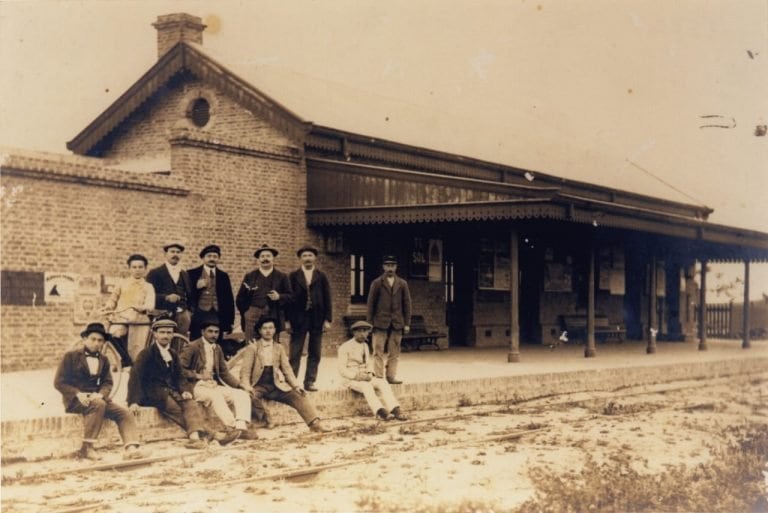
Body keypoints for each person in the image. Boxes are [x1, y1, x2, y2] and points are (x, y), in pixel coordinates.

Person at [127, 318, 235, 449]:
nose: (165, 336)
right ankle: (211, 435)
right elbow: (135, 377)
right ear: (155, 334)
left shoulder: (172, 353)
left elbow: (180, 376)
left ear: (173, 335)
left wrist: (185, 391)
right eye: (162, 332)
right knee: (178, 410)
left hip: (172, 391)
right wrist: (133, 401)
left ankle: (195, 439)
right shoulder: (146, 354)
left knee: (191, 404)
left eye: (169, 332)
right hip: (153, 394)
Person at [54, 322, 148, 460]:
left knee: (124, 412)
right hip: (76, 400)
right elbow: (59, 382)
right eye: (93, 339)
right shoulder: (71, 356)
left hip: (97, 398)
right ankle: (87, 448)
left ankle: (131, 448)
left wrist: (101, 394)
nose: (96, 343)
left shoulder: (104, 360)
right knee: (99, 404)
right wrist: (78, 394)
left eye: (100, 341)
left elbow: (107, 382)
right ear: (85, 339)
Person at [239, 317, 330, 432]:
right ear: (259, 331)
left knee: (299, 395)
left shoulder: (279, 348)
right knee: (248, 396)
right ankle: (266, 419)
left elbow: (287, 370)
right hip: (258, 385)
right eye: (265, 328)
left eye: (271, 328)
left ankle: (314, 424)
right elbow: (245, 371)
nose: (268, 331)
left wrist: (296, 386)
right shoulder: (253, 348)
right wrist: (247, 386)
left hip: (275, 385)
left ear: (275, 330)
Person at [179, 317, 257, 441]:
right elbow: (179, 370)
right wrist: (199, 376)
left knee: (242, 395)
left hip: (212, 385)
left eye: (216, 332)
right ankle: (231, 427)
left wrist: (240, 385)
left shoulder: (217, 348)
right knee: (216, 396)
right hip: (196, 387)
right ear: (202, 332)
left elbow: (224, 372)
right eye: (210, 331)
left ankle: (241, 429)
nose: (213, 335)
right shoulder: (192, 347)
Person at [337, 320, 409, 421]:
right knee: (366, 386)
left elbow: (368, 364)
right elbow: (341, 369)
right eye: (360, 331)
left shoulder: (365, 346)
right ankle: (380, 412)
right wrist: (356, 376)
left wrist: (370, 373)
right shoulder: (345, 347)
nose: (363, 334)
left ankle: (395, 409)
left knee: (382, 382)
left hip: (365, 376)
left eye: (365, 331)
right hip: (351, 379)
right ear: (354, 333)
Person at [286, 245, 333, 392]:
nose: (307, 258)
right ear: (300, 258)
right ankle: (292, 382)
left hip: (317, 319)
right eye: (305, 256)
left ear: (315, 258)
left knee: (315, 352)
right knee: (295, 352)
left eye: (310, 256)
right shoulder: (293, 276)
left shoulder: (321, 276)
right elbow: (287, 300)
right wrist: (287, 321)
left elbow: (328, 298)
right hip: (297, 319)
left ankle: (310, 381)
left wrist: (328, 319)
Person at [366, 255, 412, 384]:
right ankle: (379, 377)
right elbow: (370, 304)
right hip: (380, 322)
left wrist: (407, 323)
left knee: (394, 352)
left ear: (396, 267)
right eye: (387, 265)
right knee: (378, 350)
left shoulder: (402, 284)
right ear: (383, 267)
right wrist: (369, 323)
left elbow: (407, 304)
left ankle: (391, 376)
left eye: (392, 265)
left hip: (397, 323)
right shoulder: (377, 283)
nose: (390, 268)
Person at [104, 254, 155, 366]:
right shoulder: (122, 283)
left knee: (137, 349)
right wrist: (109, 306)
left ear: (145, 269)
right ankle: (125, 359)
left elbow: (150, 304)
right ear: (129, 269)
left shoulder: (148, 286)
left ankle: (134, 364)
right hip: (121, 318)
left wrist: (143, 307)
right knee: (112, 334)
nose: (137, 270)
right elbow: (113, 298)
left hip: (139, 320)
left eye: (140, 267)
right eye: (134, 267)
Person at [235, 244, 293, 343]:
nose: (265, 259)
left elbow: (291, 296)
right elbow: (240, 298)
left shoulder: (282, 276)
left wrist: (279, 296)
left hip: (273, 314)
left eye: (268, 256)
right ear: (258, 260)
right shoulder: (250, 276)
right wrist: (247, 313)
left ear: (273, 258)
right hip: (253, 315)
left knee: (271, 346)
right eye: (262, 256)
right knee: (251, 345)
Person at [188, 244, 235, 343]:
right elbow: (187, 295)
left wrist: (230, 321)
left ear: (218, 258)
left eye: (215, 256)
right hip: (199, 313)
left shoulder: (223, 276)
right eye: (209, 256)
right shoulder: (192, 273)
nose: (212, 259)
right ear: (203, 258)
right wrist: (196, 288)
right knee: (197, 339)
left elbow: (229, 299)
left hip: (218, 313)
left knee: (216, 340)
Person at [146, 242, 194, 338]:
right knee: (163, 339)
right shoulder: (155, 273)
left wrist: (189, 311)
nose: (175, 254)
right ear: (165, 254)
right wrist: (166, 297)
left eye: (178, 252)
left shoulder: (184, 274)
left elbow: (190, 294)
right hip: (163, 314)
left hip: (183, 315)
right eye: (172, 251)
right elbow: (148, 295)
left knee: (180, 341)